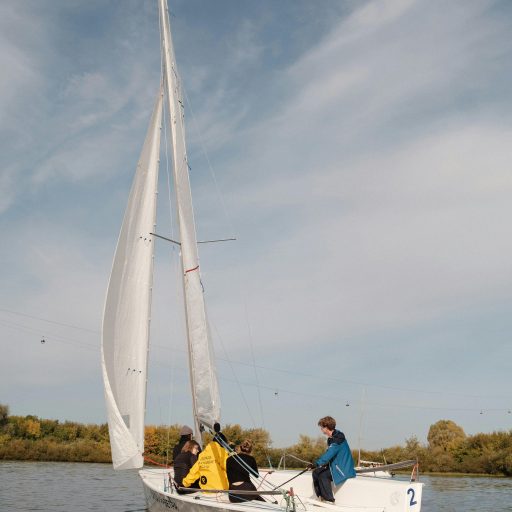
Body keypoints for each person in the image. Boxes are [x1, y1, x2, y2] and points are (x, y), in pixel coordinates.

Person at [308, 415, 356, 503]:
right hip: (336, 467)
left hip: (343, 469)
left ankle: (329, 500)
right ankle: (320, 497)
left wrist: (316, 464)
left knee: (323, 475)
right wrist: (318, 466)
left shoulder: (337, 439)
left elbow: (329, 455)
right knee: (316, 472)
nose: (321, 429)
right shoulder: (331, 438)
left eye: (322, 427)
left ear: (326, 427)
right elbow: (330, 455)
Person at [182, 423, 229, 491]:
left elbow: (194, 471)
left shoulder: (202, 454)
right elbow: (228, 467)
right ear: (222, 443)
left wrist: (185, 483)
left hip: (205, 490)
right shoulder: (221, 452)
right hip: (220, 490)